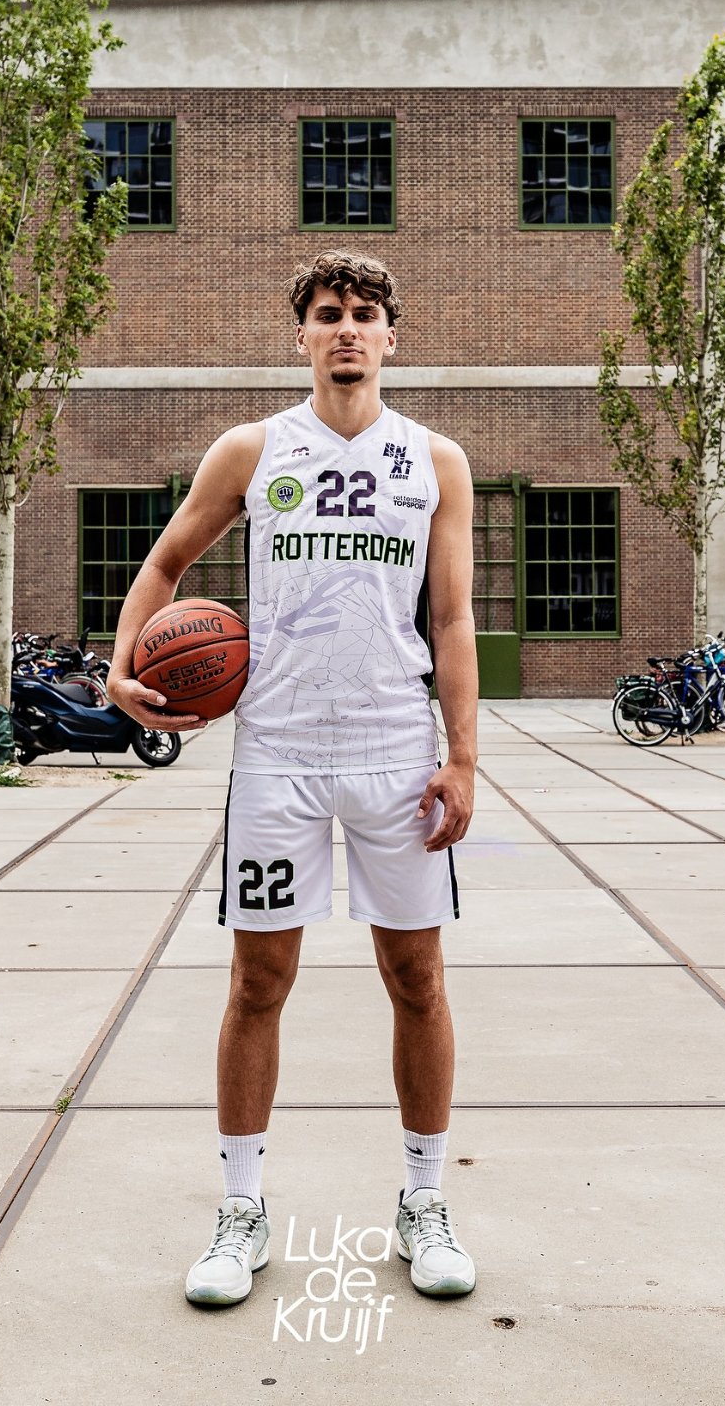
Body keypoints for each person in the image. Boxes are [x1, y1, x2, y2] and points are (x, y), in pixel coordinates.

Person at [106, 250, 479, 1307]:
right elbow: (166, 562)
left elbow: (453, 618)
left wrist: (462, 756)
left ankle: (423, 1201)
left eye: (364, 313)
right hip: (277, 755)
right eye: (328, 313)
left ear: (392, 335)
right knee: (257, 983)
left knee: (417, 980)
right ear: (302, 334)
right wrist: (122, 667)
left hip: (395, 752)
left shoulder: (435, 460)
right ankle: (241, 1211)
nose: (346, 328)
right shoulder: (253, 448)